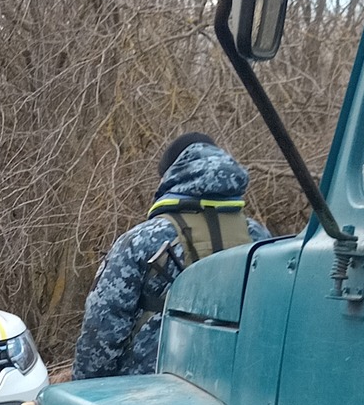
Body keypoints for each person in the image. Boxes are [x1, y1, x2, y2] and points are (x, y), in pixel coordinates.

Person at [72, 133, 270, 380]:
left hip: (154, 396)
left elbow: (102, 331)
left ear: (170, 177)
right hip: (237, 387)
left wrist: (88, 391)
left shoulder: (141, 240)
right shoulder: (258, 236)